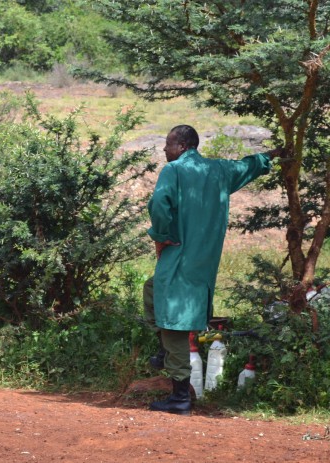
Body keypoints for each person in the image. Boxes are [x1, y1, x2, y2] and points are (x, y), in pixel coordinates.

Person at [146, 125, 284, 415]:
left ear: (182, 146)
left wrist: (161, 235)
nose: (164, 150)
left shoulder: (173, 171)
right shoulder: (218, 171)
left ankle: (179, 397)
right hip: (204, 262)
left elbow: (160, 203)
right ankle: (163, 350)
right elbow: (247, 166)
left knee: (174, 322)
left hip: (180, 253)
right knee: (152, 289)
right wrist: (274, 154)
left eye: (168, 144)